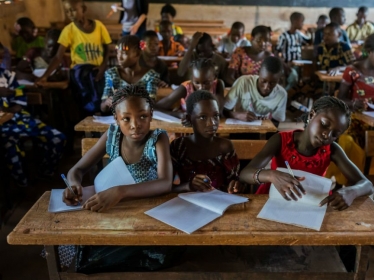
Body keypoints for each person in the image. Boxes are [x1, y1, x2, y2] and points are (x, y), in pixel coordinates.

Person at [62, 84, 175, 271]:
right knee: (84, 249)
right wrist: (73, 185)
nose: (135, 125)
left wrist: (120, 191)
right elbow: (77, 170)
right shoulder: (111, 136)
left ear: (151, 114)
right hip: (115, 211)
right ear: (116, 118)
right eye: (126, 119)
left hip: (149, 215)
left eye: (143, 117)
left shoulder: (158, 138)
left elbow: (165, 183)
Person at [239, 96, 373, 210]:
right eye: (325, 124)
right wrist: (271, 175)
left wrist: (351, 191)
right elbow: (245, 174)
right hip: (276, 198)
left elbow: (367, 185)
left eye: (335, 134)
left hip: (312, 203)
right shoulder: (281, 140)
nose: (327, 135)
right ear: (311, 115)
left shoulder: (332, 150)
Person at [330, 31, 374, 185]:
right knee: (349, 142)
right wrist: (353, 104)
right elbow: (340, 98)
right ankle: (350, 182)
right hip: (355, 117)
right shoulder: (353, 70)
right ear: (369, 51)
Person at [37, 0, 112, 115]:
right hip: (80, 73)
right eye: (67, 12)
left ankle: (102, 126)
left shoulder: (99, 26)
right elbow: (58, 57)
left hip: (98, 72)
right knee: (88, 105)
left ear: (84, 9)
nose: (70, 14)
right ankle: (89, 126)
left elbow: (107, 48)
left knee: (103, 101)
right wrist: (44, 76)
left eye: (73, 10)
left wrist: (103, 66)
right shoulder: (69, 30)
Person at [0, 68, 66, 187]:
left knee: (57, 138)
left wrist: (12, 110)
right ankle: (22, 186)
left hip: (20, 118)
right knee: (11, 146)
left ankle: (45, 173)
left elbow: (20, 98)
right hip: (2, 125)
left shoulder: (7, 74)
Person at [171, 90, 245, 193]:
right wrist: (189, 186)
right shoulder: (179, 147)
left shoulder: (225, 147)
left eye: (215, 116)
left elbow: (235, 182)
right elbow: (167, 187)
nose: (212, 123)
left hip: (219, 204)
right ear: (189, 119)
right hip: (188, 204)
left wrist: (236, 186)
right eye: (203, 117)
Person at [100, 35, 160, 114]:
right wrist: (107, 102)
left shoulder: (150, 76)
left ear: (138, 53)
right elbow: (103, 108)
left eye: (124, 53)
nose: (119, 57)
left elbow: (150, 104)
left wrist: (125, 98)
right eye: (118, 53)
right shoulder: (111, 74)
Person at [223, 56, 287, 125]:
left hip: (262, 131)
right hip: (239, 127)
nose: (266, 87)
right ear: (258, 73)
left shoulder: (281, 95)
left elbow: (276, 123)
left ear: (278, 80)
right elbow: (224, 110)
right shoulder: (243, 83)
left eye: (272, 83)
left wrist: (265, 125)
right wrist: (236, 115)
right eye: (263, 81)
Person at [156, 58, 224, 119]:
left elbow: (219, 110)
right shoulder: (185, 88)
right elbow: (157, 107)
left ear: (215, 77)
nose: (201, 88)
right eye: (197, 83)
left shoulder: (218, 84)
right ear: (192, 79)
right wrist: (177, 114)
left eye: (206, 83)